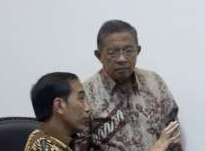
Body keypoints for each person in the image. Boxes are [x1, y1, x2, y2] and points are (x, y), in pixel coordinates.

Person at [75, 20, 183, 151]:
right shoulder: (85, 94)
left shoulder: (154, 82)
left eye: (128, 51)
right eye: (113, 52)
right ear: (99, 55)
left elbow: (173, 135)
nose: (122, 59)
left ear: (138, 51)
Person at [25, 72, 180, 151]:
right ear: (59, 106)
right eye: (81, 99)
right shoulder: (43, 147)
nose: (88, 108)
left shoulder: (55, 142)